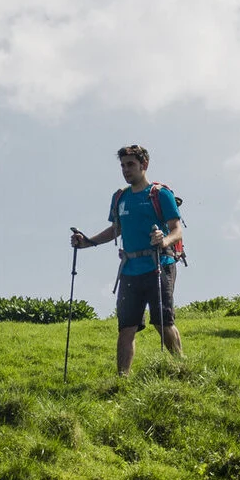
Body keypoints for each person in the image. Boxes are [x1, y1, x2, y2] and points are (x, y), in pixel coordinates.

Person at [70, 144, 184, 377]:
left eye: (130, 164)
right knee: (126, 328)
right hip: (130, 269)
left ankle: (182, 367)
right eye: (122, 165)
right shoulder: (119, 197)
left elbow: (177, 229)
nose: (125, 169)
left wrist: (163, 241)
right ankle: (122, 378)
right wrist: (87, 242)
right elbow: (116, 229)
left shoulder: (160, 194)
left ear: (144, 164)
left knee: (162, 322)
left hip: (160, 264)